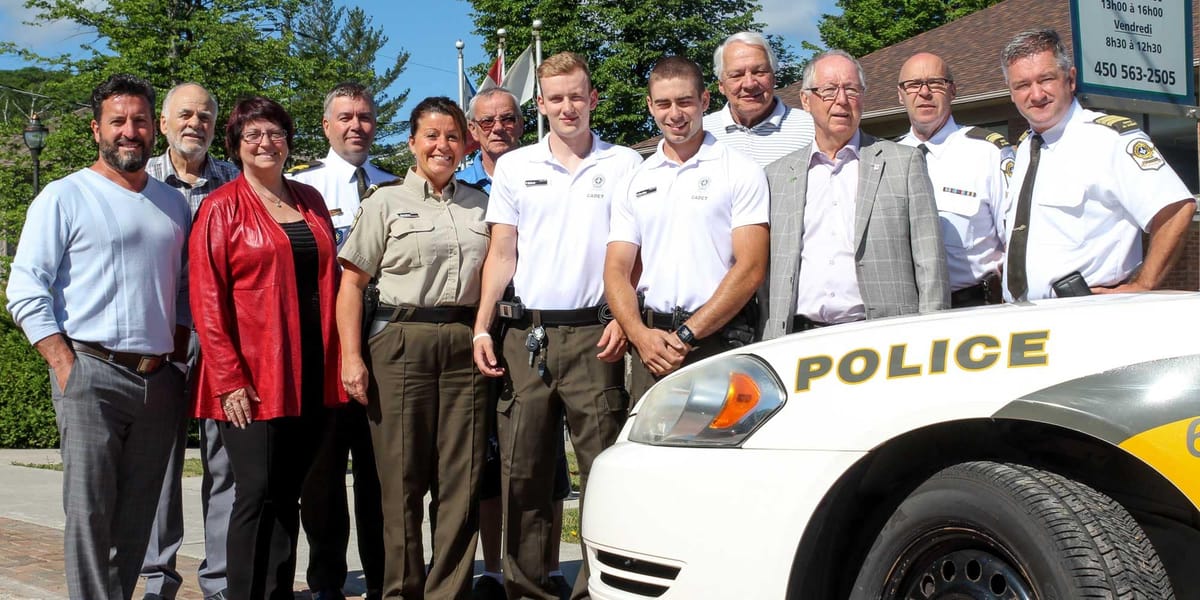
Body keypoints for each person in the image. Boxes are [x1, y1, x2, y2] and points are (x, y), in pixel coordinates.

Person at [5, 73, 191, 600]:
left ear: (155, 129)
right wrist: (66, 364)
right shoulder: (63, 196)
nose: (129, 131)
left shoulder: (171, 203)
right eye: (118, 121)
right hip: (92, 374)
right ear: (96, 129)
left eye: (139, 121)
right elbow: (25, 288)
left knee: (137, 519)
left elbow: (180, 289)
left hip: (157, 382)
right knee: (89, 515)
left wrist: (176, 354)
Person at [473, 51, 643, 600]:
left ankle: (599, 588)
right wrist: (482, 327)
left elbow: (638, 253)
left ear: (593, 99)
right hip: (528, 338)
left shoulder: (625, 165)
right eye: (556, 98)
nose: (567, 107)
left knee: (604, 474)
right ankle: (528, 589)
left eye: (577, 95)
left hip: (599, 337)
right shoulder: (518, 167)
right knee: (523, 473)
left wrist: (626, 316)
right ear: (540, 105)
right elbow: (502, 253)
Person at [189, 96, 347, 600]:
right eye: (253, 135)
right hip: (255, 378)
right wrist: (229, 377)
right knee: (256, 496)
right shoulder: (220, 207)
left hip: (312, 370)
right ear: (235, 145)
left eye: (275, 133)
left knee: (290, 497)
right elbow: (207, 301)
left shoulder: (309, 200)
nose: (265, 142)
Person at [335, 96, 489, 600]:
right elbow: (352, 286)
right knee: (400, 481)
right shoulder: (385, 202)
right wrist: (351, 357)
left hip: (465, 343)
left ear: (465, 145)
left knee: (459, 481)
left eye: (451, 136)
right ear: (412, 142)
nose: (442, 145)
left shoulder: (483, 205)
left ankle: (448, 591)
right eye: (432, 135)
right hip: (400, 343)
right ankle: (402, 591)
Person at [457, 86, 574, 600]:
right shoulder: (457, 184)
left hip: (537, 325)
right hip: (482, 329)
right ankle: (493, 570)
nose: (498, 127)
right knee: (488, 459)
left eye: (508, 118)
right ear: (472, 131)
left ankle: (546, 566)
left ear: (523, 123)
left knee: (544, 461)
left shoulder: (550, 170)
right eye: (487, 121)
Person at [605, 56, 769, 400]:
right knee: (651, 452)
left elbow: (751, 267)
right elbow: (617, 269)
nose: (674, 114)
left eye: (685, 101)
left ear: (705, 101)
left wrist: (686, 335)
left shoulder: (740, 171)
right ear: (650, 106)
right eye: (663, 103)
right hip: (651, 345)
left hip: (717, 340)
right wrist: (638, 334)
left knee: (718, 451)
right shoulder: (635, 179)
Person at [760, 50, 949, 341]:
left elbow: (930, 262)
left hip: (883, 338)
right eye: (829, 90)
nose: (841, 100)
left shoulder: (903, 163)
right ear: (806, 100)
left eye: (852, 89)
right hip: (797, 340)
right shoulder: (776, 176)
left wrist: (932, 337)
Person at [1000, 29, 1197, 301]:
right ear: (1011, 93)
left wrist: (1144, 284)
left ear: (1070, 80)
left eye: (1046, 79)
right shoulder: (1023, 151)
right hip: (1024, 320)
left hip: (1088, 314)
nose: (1036, 95)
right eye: (1022, 85)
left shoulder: (1108, 140)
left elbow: (1176, 209)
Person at [288, 81, 388, 600]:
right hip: (323, 350)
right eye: (345, 117)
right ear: (326, 126)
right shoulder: (299, 188)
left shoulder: (395, 185)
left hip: (385, 350)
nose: (356, 125)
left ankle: (383, 579)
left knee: (379, 476)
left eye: (365, 117)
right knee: (322, 479)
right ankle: (326, 581)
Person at [142, 81, 240, 600]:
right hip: (160, 337)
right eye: (184, 115)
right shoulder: (141, 181)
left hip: (222, 337)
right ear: (163, 124)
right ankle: (158, 576)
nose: (194, 124)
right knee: (161, 461)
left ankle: (220, 580)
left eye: (204, 116)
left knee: (224, 460)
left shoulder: (235, 183)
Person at [896, 53, 1013, 308]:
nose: (924, 93)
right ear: (900, 94)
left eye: (935, 83)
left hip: (975, 307)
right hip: (906, 312)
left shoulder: (987, 152)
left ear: (953, 90)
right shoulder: (887, 159)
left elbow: (1015, 241)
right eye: (913, 84)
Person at [703, 31, 814, 166]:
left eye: (759, 72)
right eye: (736, 75)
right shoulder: (701, 132)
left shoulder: (811, 129)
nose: (749, 84)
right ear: (721, 85)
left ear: (774, 78)